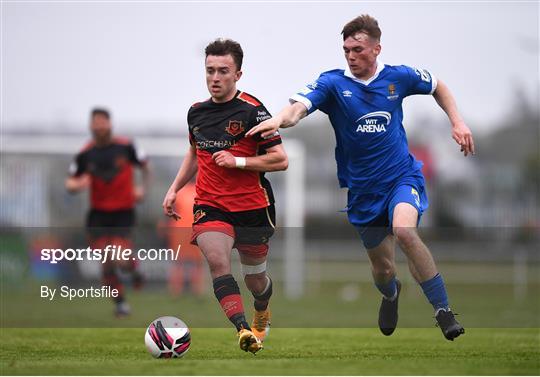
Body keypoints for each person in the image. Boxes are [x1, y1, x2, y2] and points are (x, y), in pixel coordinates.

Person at [247, 14, 475, 341]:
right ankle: (390, 294)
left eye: (357, 49)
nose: (351, 56)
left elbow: (438, 85)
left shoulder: (400, 77)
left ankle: (443, 311)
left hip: (401, 178)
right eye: (346, 50)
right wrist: (280, 120)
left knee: (405, 232)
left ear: (376, 48)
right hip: (363, 192)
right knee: (383, 270)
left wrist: (458, 122)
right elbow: (297, 107)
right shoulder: (333, 84)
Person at [162, 38, 288, 354]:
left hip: (252, 207)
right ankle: (243, 329)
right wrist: (174, 188)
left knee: (255, 281)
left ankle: (262, 308)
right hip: (209, 203)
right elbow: (194, 153)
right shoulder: (196, 113)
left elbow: (280, 159)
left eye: (223, 71)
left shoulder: (253, 111)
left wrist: (239, 162)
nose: (215, 78)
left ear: (238, 75)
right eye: (210, 71)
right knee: (218, 261)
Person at [65, 107, 150, 317]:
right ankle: (121, 304)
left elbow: (146, 167)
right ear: (91, 125)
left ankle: (134, 269)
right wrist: (76, 186)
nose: (100, 126)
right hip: (98, 214)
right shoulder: (85, 153)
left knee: (120, 258)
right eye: (96, 122)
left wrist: (142, 189)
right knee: (106, 260)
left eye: (103, 121)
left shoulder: (126, 146)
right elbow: (70, 181)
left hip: (123, 211)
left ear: (110, 124)